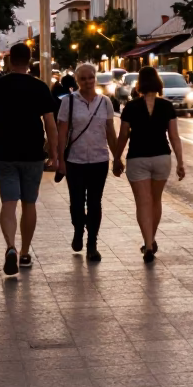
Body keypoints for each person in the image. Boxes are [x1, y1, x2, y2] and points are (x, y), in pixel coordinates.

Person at [0, 42, 57, 276]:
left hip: (5, 151)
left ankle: (10, 246)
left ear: (9, 60)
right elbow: (50, 125)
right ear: (30, 60)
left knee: (9, 203)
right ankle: (24, 253)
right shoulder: (40, 87)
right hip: (33, 152)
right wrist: (54, 153)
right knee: (29, 203)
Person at [112, 67, 185, 263]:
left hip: (138, 158)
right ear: (158, 83)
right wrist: (180, 162)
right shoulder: (167, 106)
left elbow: (123, 136)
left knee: (143, 202)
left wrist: (117, 158)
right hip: (162, 157)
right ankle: (151, 241)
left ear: (139, 84)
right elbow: (174, 137)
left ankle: (148, 244)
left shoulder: (131, 107)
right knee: (156, 200)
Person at [56, 64, 117, 262]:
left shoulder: (105, 102)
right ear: (77, 81)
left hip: (99, 159)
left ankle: (92, 243)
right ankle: (77, 230)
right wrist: (60, 160)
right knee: (76, 202)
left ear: (95, 78)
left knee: (94, 203)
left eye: (91, 77)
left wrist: (117, 157)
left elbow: (110, 131)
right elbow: (62, 132)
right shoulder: (68, 102)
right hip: (75, 160)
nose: (88, 81)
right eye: (83, 78)